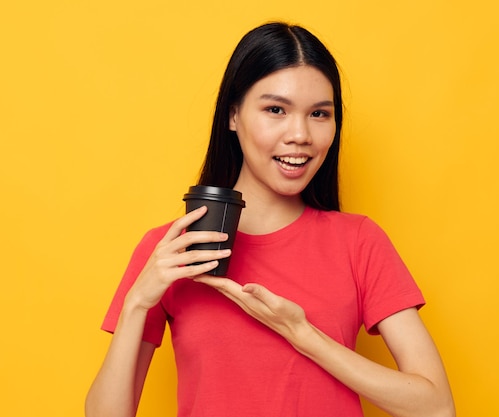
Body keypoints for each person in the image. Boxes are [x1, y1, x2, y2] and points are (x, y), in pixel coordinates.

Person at [85, 22, 455, 417]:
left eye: (319, 114)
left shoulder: (358, 241)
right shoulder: (173, 249)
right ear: (233, 115)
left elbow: (434, 408)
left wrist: (303, 334)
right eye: (275, 110)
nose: (300, 134)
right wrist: (138, 302)